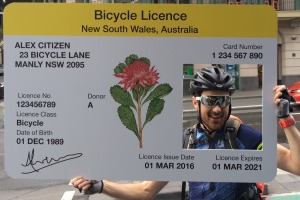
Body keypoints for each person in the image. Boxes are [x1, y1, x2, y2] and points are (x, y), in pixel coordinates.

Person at [71, 66, 300, 200]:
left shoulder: (244, 137)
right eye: (210, 100)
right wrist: (101, 185)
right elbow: (145, 190)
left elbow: (296, 165)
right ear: (195, 102)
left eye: (224, 100)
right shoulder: (185, 142)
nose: (218, 108)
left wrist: (285, 118)